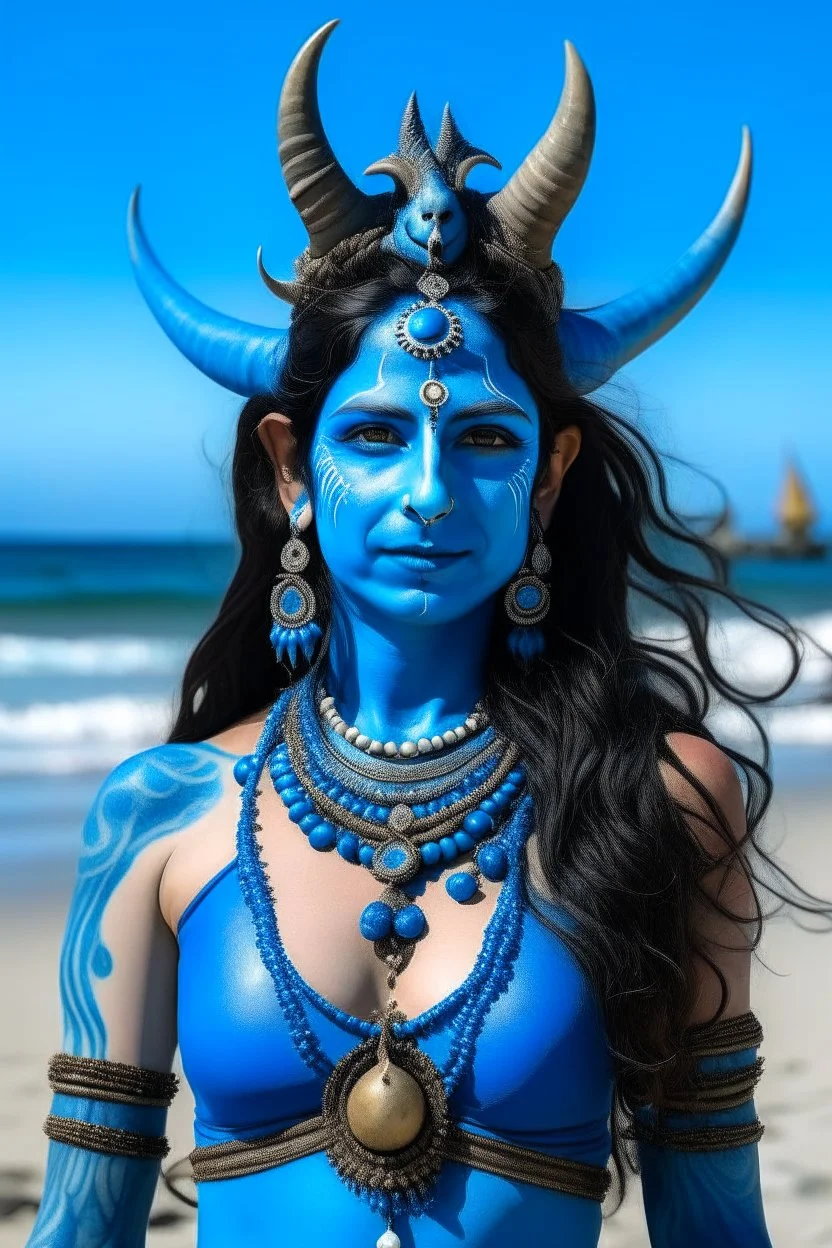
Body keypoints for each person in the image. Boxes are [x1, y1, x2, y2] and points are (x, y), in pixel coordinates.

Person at [27, 20, 820, 1248]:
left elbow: (714, 1223)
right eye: (376, 436)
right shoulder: (161, 813)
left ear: (550, 479)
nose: (431, 492)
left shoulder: (662, 797)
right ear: (291, 467)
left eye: (489, 440)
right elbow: (84, 1230)